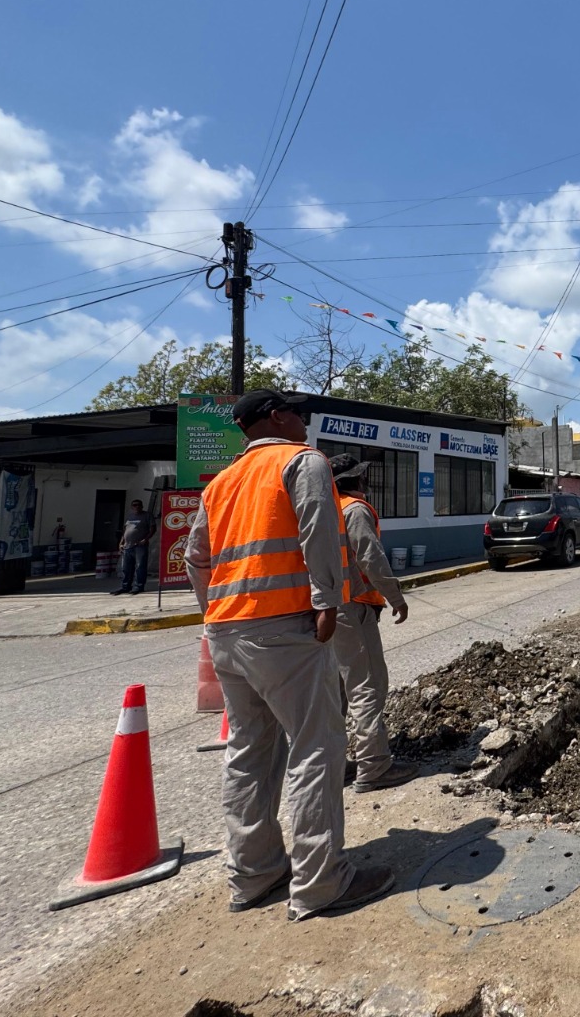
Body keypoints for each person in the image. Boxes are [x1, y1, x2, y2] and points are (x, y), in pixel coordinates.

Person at [184, 389, 393, 920]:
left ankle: (254, 874)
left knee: (248, 753)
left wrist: (215, 611)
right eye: (298, 413)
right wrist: (326, 601)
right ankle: (321, 882)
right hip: (284, 630)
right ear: (277, 416)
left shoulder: (222, 482)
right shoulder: (302, 461)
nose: (304, 422)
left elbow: (196, 557)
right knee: (315, 747)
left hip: (227, 632)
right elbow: (318, 530)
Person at [325, 453, 416, 794]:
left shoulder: (321, 511)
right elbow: (370, 556)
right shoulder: (355, 510)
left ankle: (335, 765)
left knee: (335, 691)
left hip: (324, 609)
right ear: (355, 480)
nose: (365, 481)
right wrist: (395, 596)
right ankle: (375, 766)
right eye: (362, 476)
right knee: (367, 685)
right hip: (354, 606)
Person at [111, 499, 153, 596]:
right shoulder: (129, 517)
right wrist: (121, 543)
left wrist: (146, 539)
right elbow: (125, 531)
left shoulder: (147, 515)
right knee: (126, 568)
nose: (136, 506)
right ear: (132, 507)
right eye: (134, 505)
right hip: (127, 546)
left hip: (139, 546)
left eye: (138, 505)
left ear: (142, 506)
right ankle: (125, 586)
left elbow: (152, 529)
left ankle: (139, 586)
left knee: (140, 567)